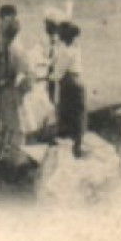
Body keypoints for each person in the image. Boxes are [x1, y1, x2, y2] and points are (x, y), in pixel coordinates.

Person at [0, 6, 36, 177]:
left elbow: (31, 74)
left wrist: (20, 89)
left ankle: (15, 162)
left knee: (15, 125)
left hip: (10, 92)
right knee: (0, 124)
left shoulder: (17, 51)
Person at [53, 21, 86, 158]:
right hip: (78, 81)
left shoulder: (65, 52)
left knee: (66, 111)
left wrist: (51, 76)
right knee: (77, 113)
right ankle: (77, 143)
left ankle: (71, 145)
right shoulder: (75, 47)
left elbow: (58, 72)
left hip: (69, 83)